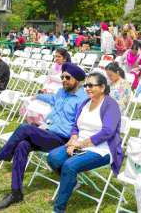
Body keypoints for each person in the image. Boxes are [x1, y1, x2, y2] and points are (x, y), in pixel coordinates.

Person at [0, 63, 87, 211]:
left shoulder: (83, 99)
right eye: (62, 77)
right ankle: (16, 193)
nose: (64, 80)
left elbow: (83, 123)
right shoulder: (61, 92)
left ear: (78, 80)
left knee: (25, 128)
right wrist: (37, 95)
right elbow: (52, 99)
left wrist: (76, 142)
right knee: (22, 146)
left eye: (68, 77)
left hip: (62, 139)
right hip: (48, 134)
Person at [47, 72, 123, 213]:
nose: (87, 88)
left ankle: (58, 209)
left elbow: (108, 132)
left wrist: (79, 145)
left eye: (91, 85)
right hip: (80, 143)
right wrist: (73, 139)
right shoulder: (85, 102)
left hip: (102, 149)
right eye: (86, 85)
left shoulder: (111, 105)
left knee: (69, 166)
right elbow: (76, 126)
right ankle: (71, 182)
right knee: (53, 157)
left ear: (102, 87)